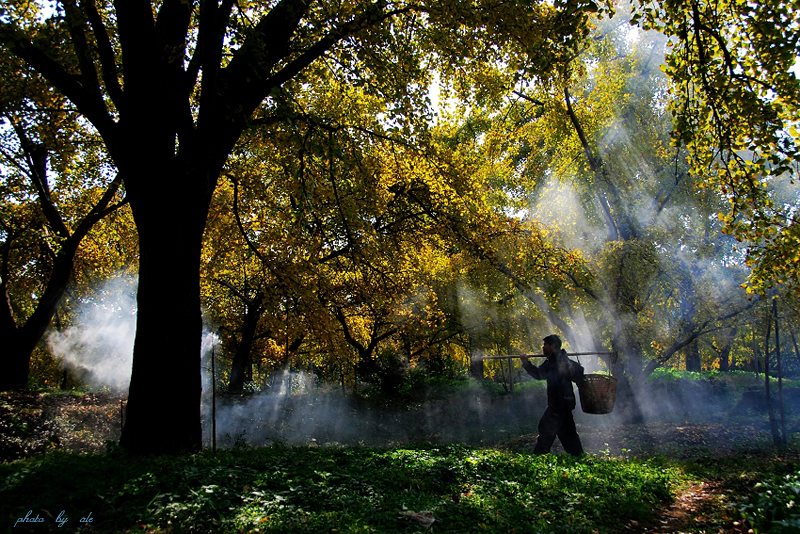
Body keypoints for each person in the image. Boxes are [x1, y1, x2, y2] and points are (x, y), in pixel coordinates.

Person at [521, 334, 585, 456]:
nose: (543, 347)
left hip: (559, 404)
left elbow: (539, 374)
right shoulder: (555, 360)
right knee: (567, 432)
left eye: (545, 345)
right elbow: (540, 374)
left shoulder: (557, 361)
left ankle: (539, 456)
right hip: (564, 404)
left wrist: (525, 363)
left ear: (553, 346)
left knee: (547, 428)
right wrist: (526, 363)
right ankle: (578, 455)